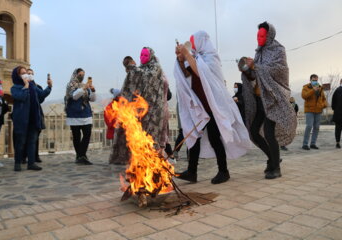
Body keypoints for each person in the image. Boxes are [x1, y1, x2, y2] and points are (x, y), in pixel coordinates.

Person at [175, 31, 250, 184]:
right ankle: (192, 172)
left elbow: (202, 73)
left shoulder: (211, 58)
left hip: (214, 106)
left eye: (193, 41)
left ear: (201, 41)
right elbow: (187, 75)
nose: (192, 44)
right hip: (199, 106)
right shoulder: (194, 59)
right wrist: (181, 60)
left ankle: (224, 171)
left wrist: (187, 55)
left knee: (215, 137)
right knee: (194, 137)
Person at [240, 21, 297, 179]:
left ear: (269, 35)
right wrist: (247, 70)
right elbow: (255, 77)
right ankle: (273, 158)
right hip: (260, 98)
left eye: (262, 35)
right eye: (258, 35)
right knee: (254, 131)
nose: (259, 38)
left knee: (269, 133)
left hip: (273, 98)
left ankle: (276, 168)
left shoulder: (279, 50)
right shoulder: (259, 53)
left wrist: (256, 67)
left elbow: (279, 71)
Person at [109, 48, 167, 164]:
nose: (142, 57)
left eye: (145, 54)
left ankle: (152, 162)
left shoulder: (155, 68)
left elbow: (148, 77)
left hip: (155, 110)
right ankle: (140, 161)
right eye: (141, 54)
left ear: (151, 55)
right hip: (142, 110)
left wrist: (133, 69)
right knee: (141, 134)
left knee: (152, 136)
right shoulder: (141, 68)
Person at [11, 66, 52, 171]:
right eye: (22, 73)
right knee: (20, 142)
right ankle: (17, 163)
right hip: (22, 119)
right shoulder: (15, 87)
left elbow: (42, 94)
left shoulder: (33, 86)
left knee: (32, 141)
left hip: (33, 117)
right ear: (17, 76)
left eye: (26, 73)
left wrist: (49, 87)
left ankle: (31, 163)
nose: (26, 75)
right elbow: (21, 97)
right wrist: (25, 86)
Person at [65, 68, 96, 165]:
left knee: (87, 134)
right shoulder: (71, 84)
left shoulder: (85, 85)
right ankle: (81, 156)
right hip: (74, 113)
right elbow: (74, 96)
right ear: (75, 74)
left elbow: (92, 99)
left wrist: (93, 91)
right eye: (80, 74)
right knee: (76, 136)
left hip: (86, 113)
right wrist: (83, 88)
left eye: (83, 74)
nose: (82, 76)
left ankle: (81, 155)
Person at [21, 68, 49, 164]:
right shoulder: (21, 86)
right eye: (27, 74)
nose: (29, 75)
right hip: (25, 114)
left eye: (31, 74)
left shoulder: (37, 87)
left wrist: (49, 86)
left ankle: (35, 156)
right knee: (24, 137)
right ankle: (23, 157)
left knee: (35, 136)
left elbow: (41, 98)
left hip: (35, 113)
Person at [301, 74, 327, 150]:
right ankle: (305, 144)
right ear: (310, 80)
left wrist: (323, 105)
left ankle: (313, 143)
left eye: (316, 80)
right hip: (309, 110)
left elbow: (324, 98)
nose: (315, 81)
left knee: (316, 127)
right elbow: (304, 96)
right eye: (313, 80)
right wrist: (313, 90)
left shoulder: (321, 88)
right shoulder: (306, 87)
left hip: (318, 110)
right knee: (309, 126)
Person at [332, 79, 342, 149]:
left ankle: (337, 142)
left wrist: (335, 109)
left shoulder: (337, 90)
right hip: (338, 114)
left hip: (338, 113)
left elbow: (333, 103)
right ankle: (337, 142)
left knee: (338, 129)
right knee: (338, 129)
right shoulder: (337, 90)